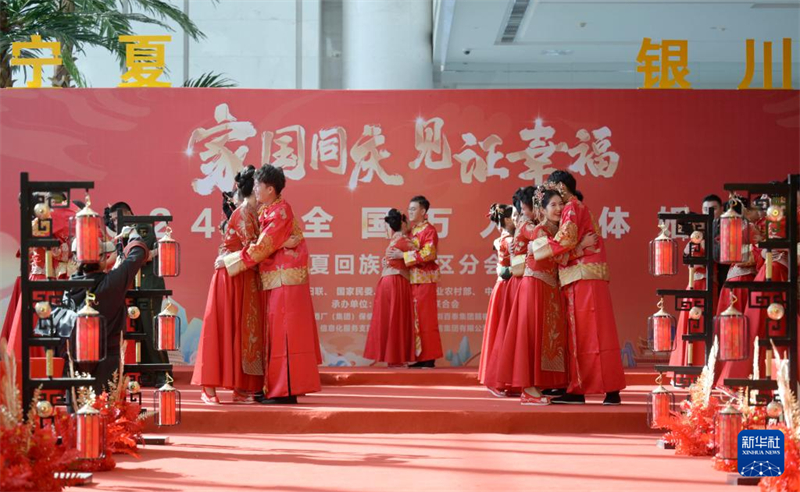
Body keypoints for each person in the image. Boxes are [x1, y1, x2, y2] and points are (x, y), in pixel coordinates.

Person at [221, 165, 321, 404]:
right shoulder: (269, 210)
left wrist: (230, 261)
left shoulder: (280, 211)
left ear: (270, 189)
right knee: (279, 335)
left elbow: (263, 246)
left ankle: (285, 391)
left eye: (258, 185)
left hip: (285, 279)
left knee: (284, 336)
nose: (254, 189)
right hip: (278, 278)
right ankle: (279, 388)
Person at [533, 170, 626, 405]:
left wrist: (541, 248)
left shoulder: (572, 208)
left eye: (553, 187)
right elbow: (575, 242)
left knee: (583, 335)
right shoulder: (579, 208)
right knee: (597, 333)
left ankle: (580, 390)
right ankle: (607, 390)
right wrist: (579, 248)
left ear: (562, 187)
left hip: (582, 276)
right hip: (587, 276)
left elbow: (566, 239)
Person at [192, 166, 264, 404]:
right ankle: (208, 388)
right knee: (223, 329)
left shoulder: (254, 211)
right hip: (231, 277)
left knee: (243, 334)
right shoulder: (244, 212)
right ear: (256, 188)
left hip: (244, 275)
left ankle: (241, 388)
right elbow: (254, 248)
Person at [62, 229, 150, 396]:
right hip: (107, 358)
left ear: (75, 259)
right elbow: (137, 253)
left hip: (76, 358)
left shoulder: (68, 289)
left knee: (78, 406)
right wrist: (132, 234)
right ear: (102, 259)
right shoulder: (112, 283)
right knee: (106, 406)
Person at [387, 196, 443, 368]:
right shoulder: (410, 231)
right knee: (414, 320)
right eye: (409, 209)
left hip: (424, 280)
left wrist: (402, 255)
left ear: (423, 211)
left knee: (426, 319)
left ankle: (429, 357)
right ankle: (418, 356)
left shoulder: (429, 230)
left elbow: (429, 254)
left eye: (413, 209)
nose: (410, 212)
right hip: (409, 280)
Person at [715, 197, 764, 385]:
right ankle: (732, 373)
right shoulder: (747, 227)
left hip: (740, 279)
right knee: (737, 329)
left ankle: (730, 372)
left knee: (735, 329)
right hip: (740, 279)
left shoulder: (748, 227)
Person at [363, 209, 416, 367]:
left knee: (389, 319)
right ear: (403, 223)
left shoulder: (394, 241)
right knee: (397, 319)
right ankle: (396, 358)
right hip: (396, 282)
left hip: (386, 282)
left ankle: (393, 359)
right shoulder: (405, 241)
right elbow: (422, 258)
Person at [478, 203, 515, 387]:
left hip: (503, 287)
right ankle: (500, 379)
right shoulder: (510, 240)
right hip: (508, 287)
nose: (517, 219)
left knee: (503, 330)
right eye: (514, 216)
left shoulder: (500, 239)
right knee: (505, 332)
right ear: (507, 219)